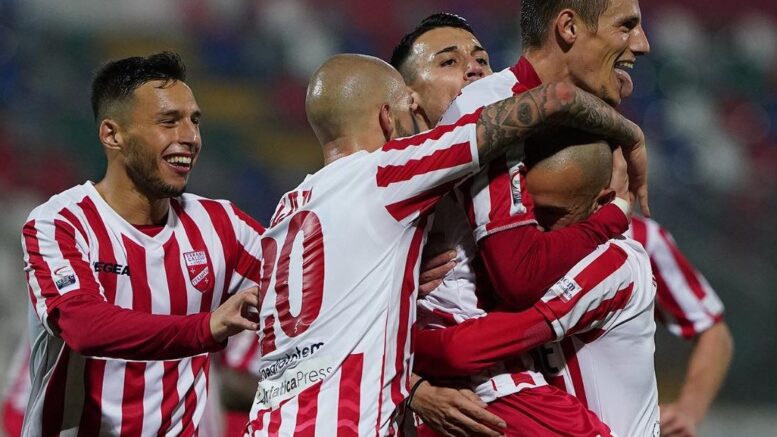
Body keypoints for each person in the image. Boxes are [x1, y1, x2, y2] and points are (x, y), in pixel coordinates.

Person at [242, 53, 644, 436]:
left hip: (269, 422)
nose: (415, 126)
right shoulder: (383, 175)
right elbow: (546, 101)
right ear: (387, 118)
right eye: (408, 112)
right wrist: (626, 142)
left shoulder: (288, 209)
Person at [392, 11, 731, 436]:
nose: (473, 69)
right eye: (448, 61)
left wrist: (398, 358)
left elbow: (483, 321)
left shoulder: (624, 245)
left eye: (481, 58)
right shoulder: (389, 207)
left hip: (506, 398)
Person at [21, 51, 264, 436]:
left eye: (194, 121)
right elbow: (84, 327)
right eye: (169, 122)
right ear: (112, 135)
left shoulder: (223, 226)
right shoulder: (61, 223)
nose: (190, 137)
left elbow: (305, 285)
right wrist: (208, 326)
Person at [414, 132, 660, 436]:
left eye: (550, 213)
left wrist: (388, 344)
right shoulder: (540, 255)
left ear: (602, 202)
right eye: (529, 212)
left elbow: (460, 351)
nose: (534, 228)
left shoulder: (614, 263)